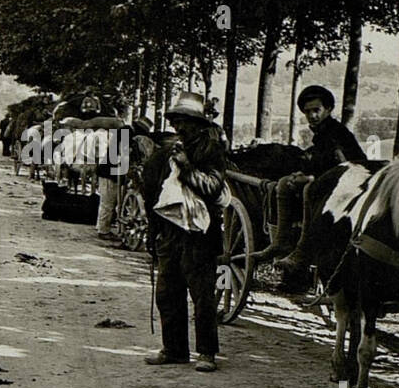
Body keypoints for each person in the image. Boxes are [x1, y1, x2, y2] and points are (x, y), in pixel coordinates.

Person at [142, 92, 227, 372]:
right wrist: (153, 233)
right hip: (170, 233)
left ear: (198, 123)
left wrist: (187, 167)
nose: (180, 126)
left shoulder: (210, 149)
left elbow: (213, 187)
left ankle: (206, 353)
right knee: (167, 292)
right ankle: (175, 349)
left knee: (202, 295)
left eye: (186, 121)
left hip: (199, 234)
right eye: (177, 121)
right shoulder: (166, 151)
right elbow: (153, 195)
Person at [247, 84, 368, 279]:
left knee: (310, 189)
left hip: (350, 183)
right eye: (308, 112)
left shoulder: (337, 133)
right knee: (285, 183)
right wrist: (302, 173)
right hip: (333, 180)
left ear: (328, 109)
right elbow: (321, 159)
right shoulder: (322, 132)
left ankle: (303, 250)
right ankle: (281, 241)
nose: (312, 115)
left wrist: (311, 177)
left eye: (316, 110)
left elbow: (343, 165)